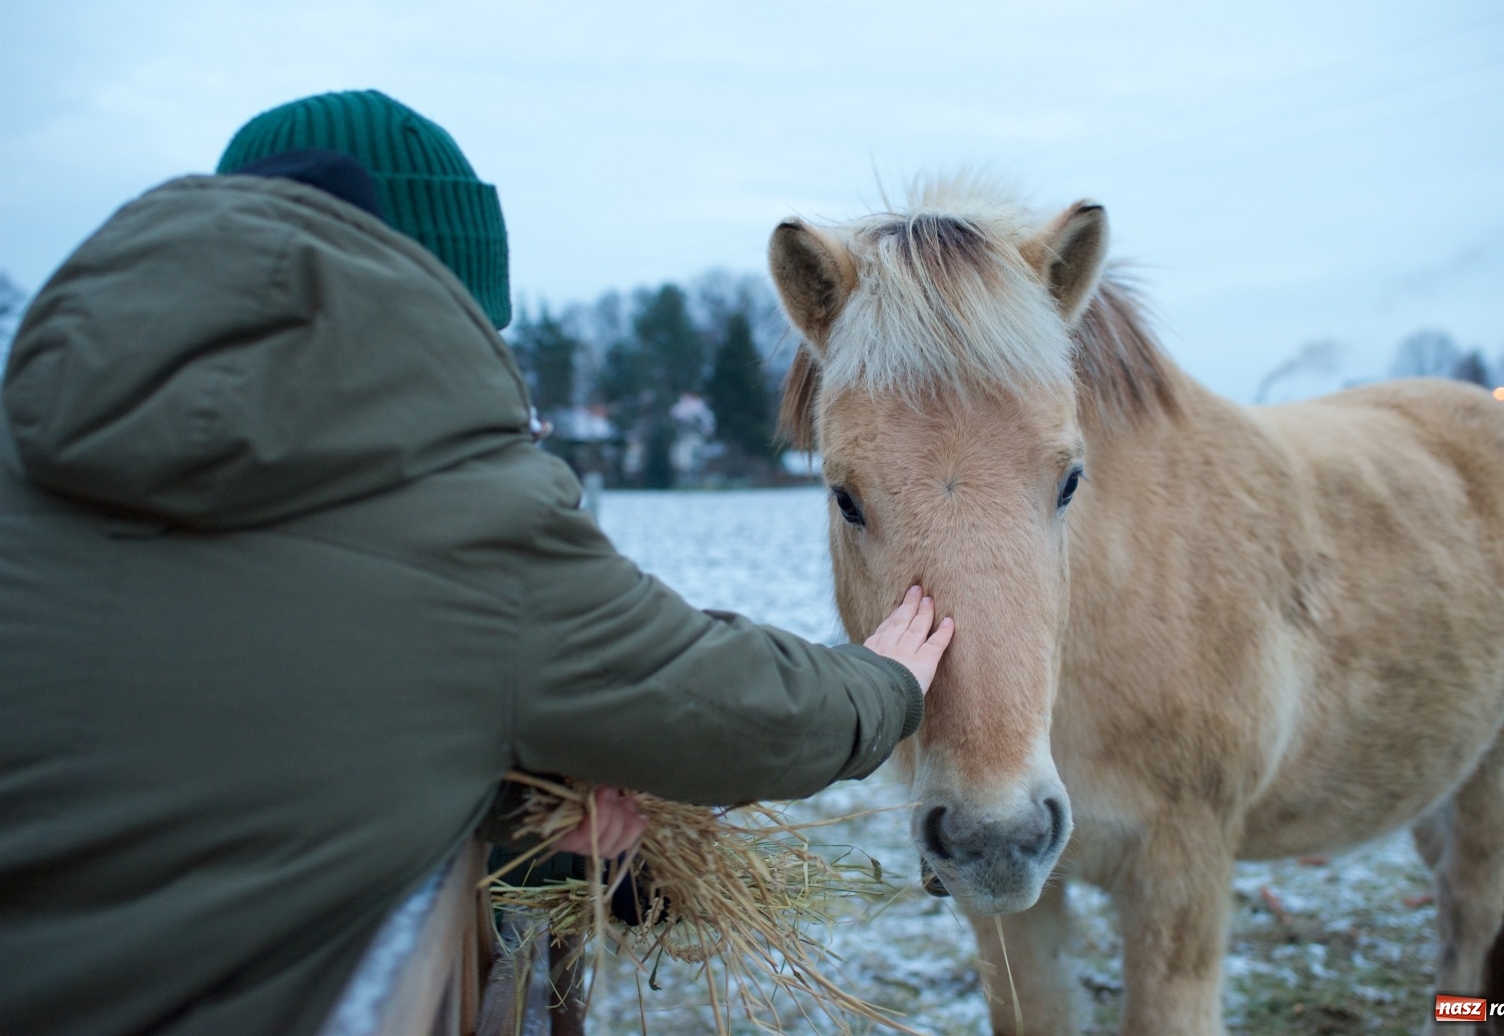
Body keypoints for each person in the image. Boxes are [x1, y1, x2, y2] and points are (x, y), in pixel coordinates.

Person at [0, 89, 952, 1036]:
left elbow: (231, 727)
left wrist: (505, 813)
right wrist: (883, 684)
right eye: (477, 322)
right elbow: (717, 705)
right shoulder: (450, 504)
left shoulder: (36, 445)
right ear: (416, 291)